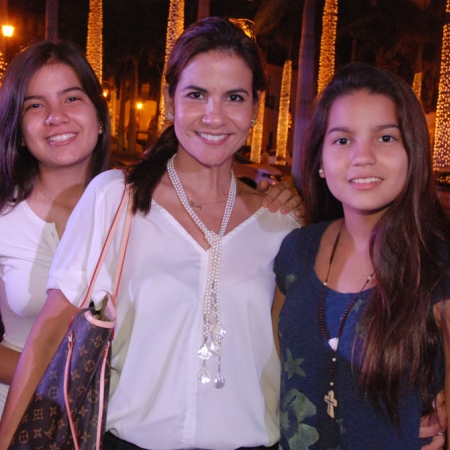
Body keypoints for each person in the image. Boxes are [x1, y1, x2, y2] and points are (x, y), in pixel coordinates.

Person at [0, 18, 304, 449]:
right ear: (169, 100)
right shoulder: (116, 199)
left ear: (256, 106)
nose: (214, 115)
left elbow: (300, 356)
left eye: (234, 97)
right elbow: (48, 332)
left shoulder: (281, 225)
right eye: (196, 94)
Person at [272, 63, 450, 449]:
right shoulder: (296, 250)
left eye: (385, 138)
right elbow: (281, 359)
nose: (363, 157)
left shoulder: (437, 267)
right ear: (319, 160)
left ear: (412, 152)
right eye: (342, 140)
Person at [0, 39, 111, 417]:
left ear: (99, 117)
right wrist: (72, 380)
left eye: (72, 98)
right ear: (18, 127)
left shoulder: (140, 208)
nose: (55, 116)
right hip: (16, 421)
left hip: (115, 430)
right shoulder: (4, 217)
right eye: (35, 105)